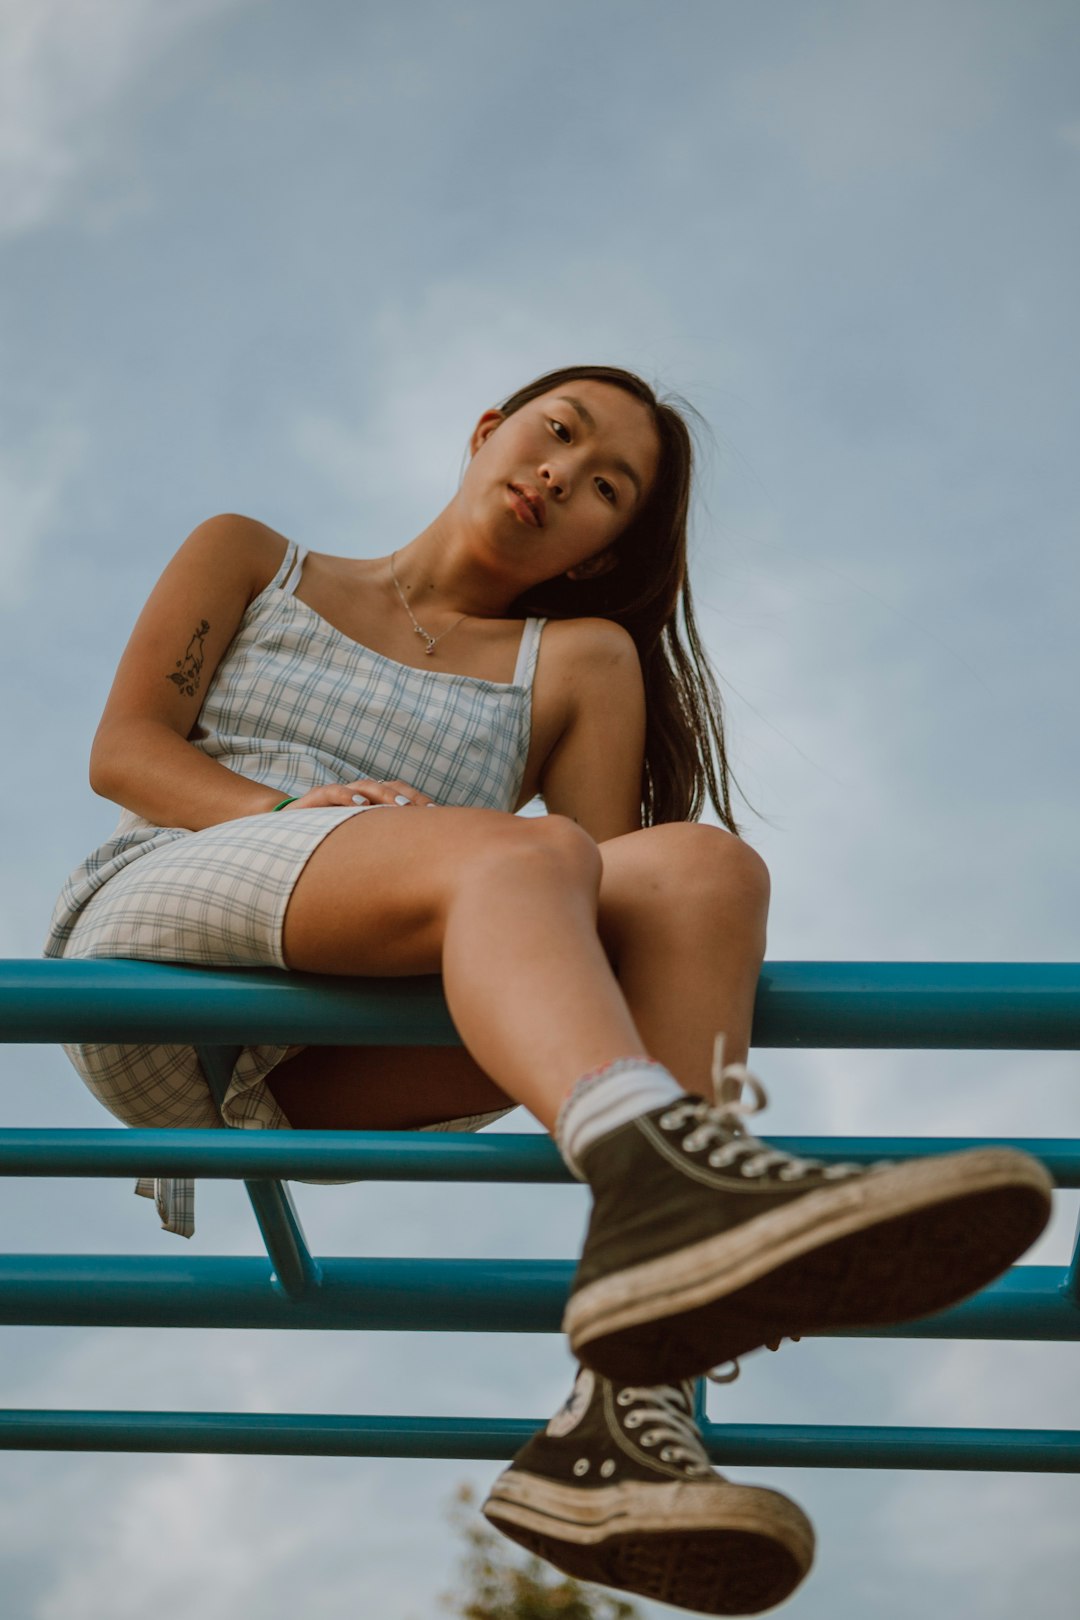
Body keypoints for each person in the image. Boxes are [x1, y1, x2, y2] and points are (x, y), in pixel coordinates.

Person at [44, 365, 1052, 1615]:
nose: (560, 475)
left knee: (701, 870)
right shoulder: (256, 557)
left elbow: (615, 910)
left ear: (599, 550)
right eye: (556, 434)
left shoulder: (578, 660)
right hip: (163, 949)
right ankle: (668, 1179)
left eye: (605, 489)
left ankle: (620, 1417)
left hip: (330, 1066)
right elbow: (126, 751)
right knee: (530, 855)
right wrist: (287, 809)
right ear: (487, 430)